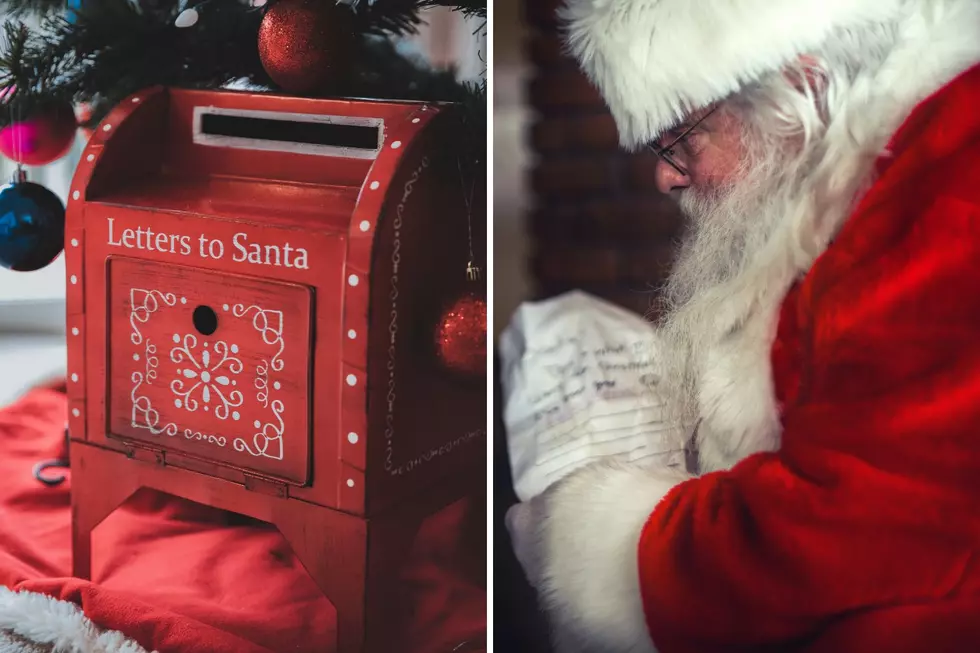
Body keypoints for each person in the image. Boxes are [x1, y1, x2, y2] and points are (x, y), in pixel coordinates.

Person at [504, 0, 980, 652]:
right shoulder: (876, 176)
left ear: (801, 86)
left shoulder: (954, 173)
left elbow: (854, 534)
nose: (665, 176)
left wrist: (598, 544)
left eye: (681, 139)